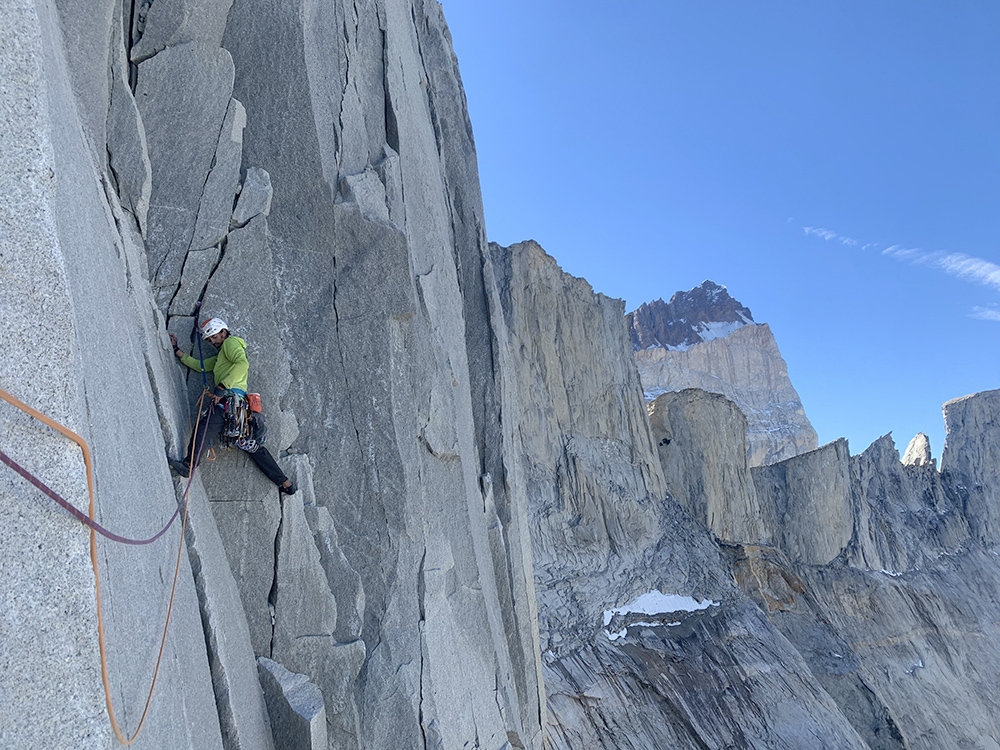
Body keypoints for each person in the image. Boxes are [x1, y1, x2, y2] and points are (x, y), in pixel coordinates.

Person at [167, 316, 296, 494]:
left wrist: (223, 386)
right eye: (209, 339)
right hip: (237, 408)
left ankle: (189, 465)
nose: (212, 341)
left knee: (204, 427)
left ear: (224, 332)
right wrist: (176, 350)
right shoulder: (221, 356)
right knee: (250, 445)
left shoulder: (231, 343)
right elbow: (200, 366)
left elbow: (242, 364)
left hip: (228, 401)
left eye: (214, 336)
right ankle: (284, 482)